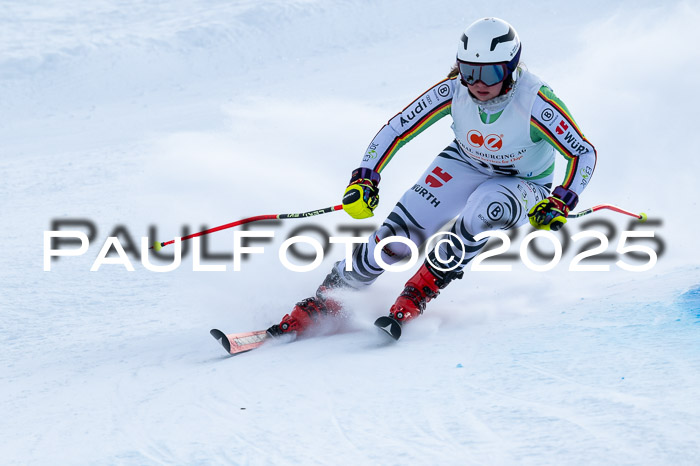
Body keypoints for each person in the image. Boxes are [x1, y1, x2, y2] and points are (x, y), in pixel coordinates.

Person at [266, 17, 597, 337]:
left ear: (511, 67)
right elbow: (398, 128)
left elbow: (582, 152)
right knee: (398, 237)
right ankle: (330, 299)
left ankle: (418, 292)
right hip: (466, 162)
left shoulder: (535, 102)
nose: (478, 83)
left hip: (523, 182)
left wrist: (562, 199)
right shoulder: (455, 90)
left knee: (484, 210)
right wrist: (365, 177)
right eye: (469, 71)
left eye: (491, 72)